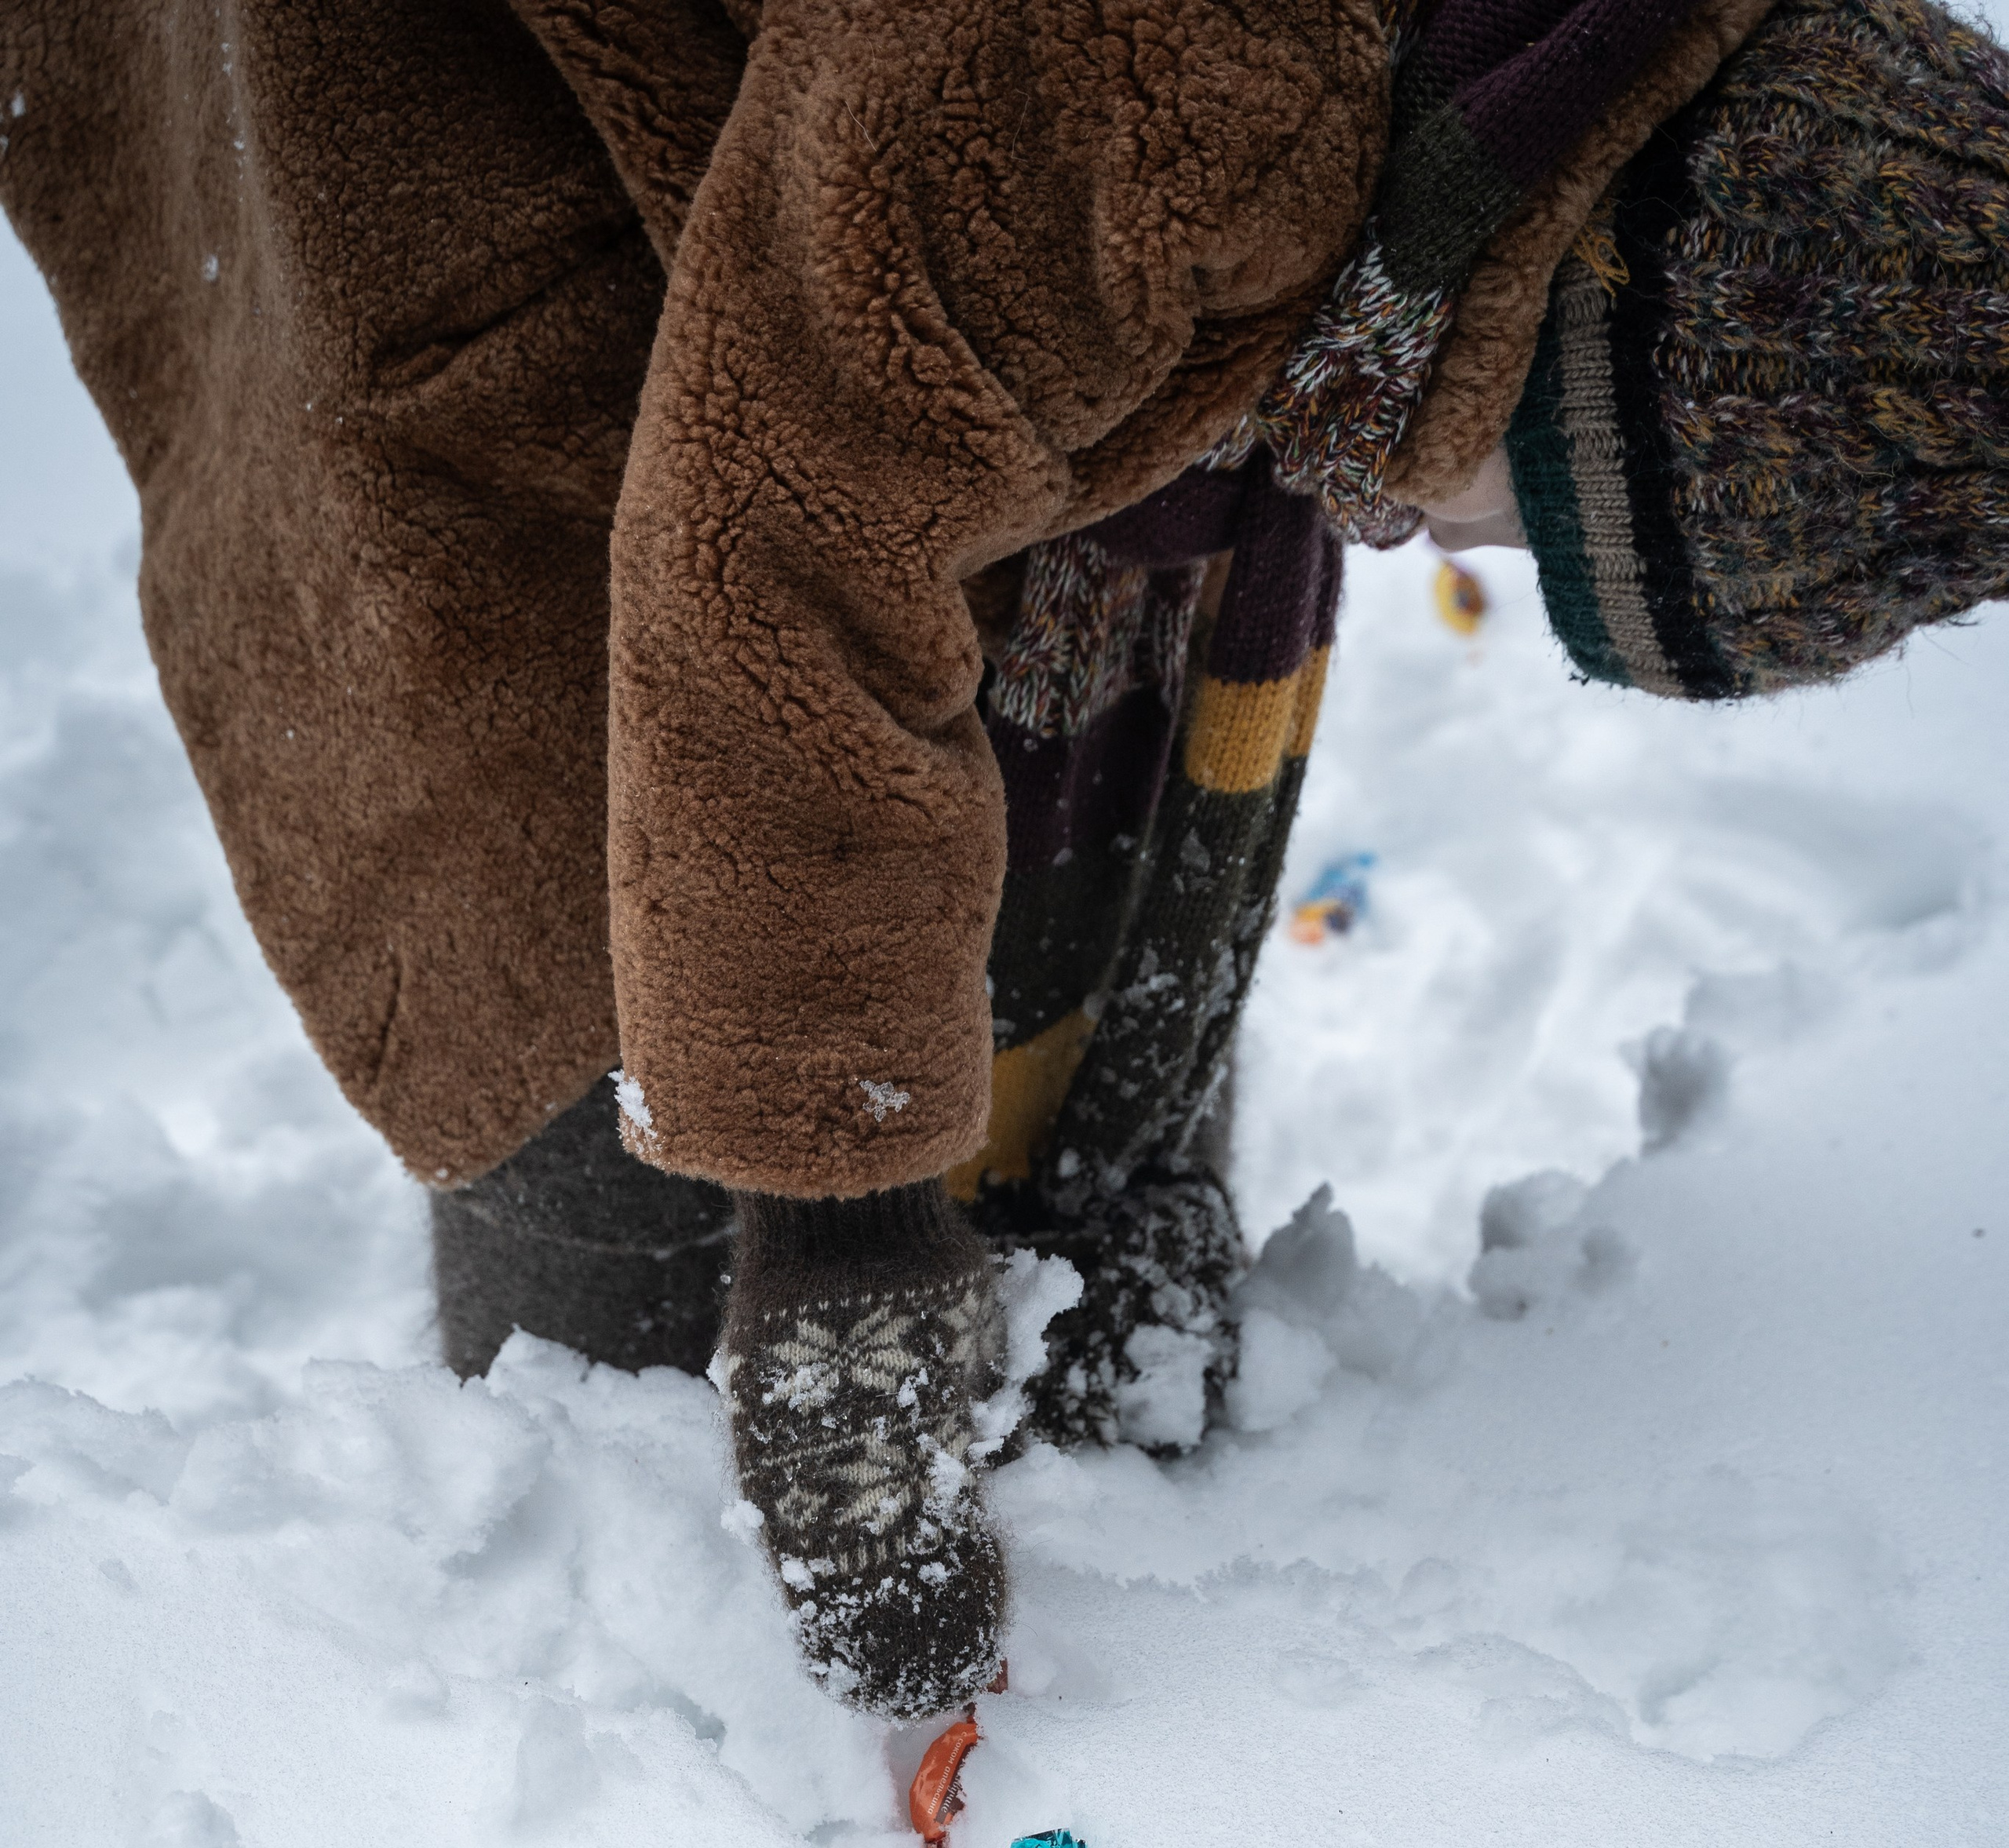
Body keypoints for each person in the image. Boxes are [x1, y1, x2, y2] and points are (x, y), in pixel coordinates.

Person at [4, 0, 2004, 1718]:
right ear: (1591, 329)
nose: (1451, 551)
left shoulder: (1496, 104)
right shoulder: (1147, 79)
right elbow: (769, 574)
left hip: (915, 182)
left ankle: (1045, 1217)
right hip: (454, 126)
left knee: (1120, 506)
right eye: (1538, 535)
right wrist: (840, 1233)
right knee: (558, 785)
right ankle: (620, 1596)